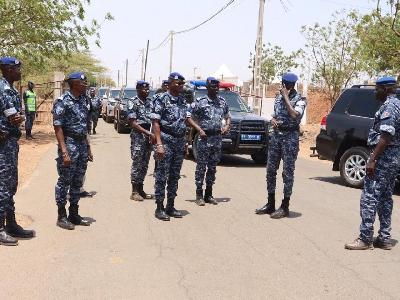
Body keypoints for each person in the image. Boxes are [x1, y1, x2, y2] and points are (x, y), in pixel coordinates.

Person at [345, 77, 400, 250]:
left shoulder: (390, 106)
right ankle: (384, 238)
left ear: (385, 89)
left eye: (377, 88)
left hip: (383, 157)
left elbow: (386, 135)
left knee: (369, 197)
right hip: (391, 157)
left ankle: (365, 238)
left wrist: (373, 159)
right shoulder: (396, 104)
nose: (375, 92)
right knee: (385, 198)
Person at [255, 72, 306, 219]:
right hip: (276, 137)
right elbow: (276, 115)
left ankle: (285, 206)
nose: (285, 87)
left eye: (288, 85)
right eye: (284, 84)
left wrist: (285, 97)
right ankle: (270, 203)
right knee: (271, 170)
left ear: (293, 85)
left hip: (290, 138)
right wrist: (273, 120)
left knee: (287, 173)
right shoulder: (277, 98)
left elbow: (295, 115)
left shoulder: (300, 99)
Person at [0, 57, 35, 246]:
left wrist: (17, 118)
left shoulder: (11, 90)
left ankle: (11, 224)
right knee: (2, 187)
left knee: (11, 185)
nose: (20, 71)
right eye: (16, 68)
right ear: (6, 69)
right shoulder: (0, 88)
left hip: (11, 143)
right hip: (2, 144)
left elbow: (17, 116)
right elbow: (13, 116)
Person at [52, 72, 93, 230]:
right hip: (68, 144)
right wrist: (64, 152)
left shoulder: (84, 99)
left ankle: (74, 213)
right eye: (83, 83)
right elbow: (58, 127)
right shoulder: (63, 101)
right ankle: (61, 216)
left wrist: (88, 147)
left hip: (81, 144)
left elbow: (85, 127)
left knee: (77, 181)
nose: (85, 85)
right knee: (64, 181)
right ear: (75, 84)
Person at [187, 77, 231, 206]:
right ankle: (199, 195)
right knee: (201, 167)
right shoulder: (200, 102)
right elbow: (188, 117)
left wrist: (227, 126)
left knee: (212, 168)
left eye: (217, 86)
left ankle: (209, 194)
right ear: (207, 87)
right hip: (204, 139)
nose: (216, 88)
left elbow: (228, 117)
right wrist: (198, 129)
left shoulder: (222, 102)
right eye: (213, 86)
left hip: (217, 138)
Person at [151, 72, 188, 221]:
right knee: (161, 175)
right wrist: (159, 144)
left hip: (179, 141)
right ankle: (159, 207)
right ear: (171, 82)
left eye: (182, 84)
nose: (181, 86)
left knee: (174, 175)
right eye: (178, 83)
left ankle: (170, 206)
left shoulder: (182, 100)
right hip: (165, 140)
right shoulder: (160, 98)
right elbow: (155, 122)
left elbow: (184, 122)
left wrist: (185, 142)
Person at [127, 80, 155, 201]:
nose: (147, 91)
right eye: (144, 89)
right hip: (138, 135)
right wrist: (147, 132)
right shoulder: (132, 102)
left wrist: (151, 133)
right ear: (138, 89)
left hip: (148, 135)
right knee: (137, 163)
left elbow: (154, 120)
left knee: (145, 163)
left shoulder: (150, 102)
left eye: (148, 89)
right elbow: (132, 122)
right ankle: (134, 191)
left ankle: (141, 189)